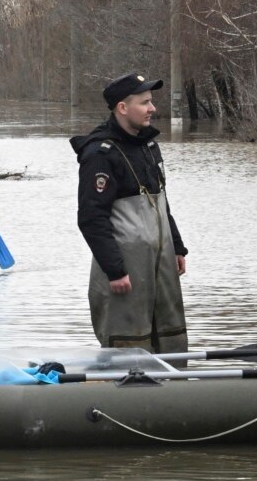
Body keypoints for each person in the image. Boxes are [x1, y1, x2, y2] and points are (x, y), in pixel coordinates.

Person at [70, 73, 189, 354]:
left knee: (171, 339)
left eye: (151, 102)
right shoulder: (100, 154)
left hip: (159, 263)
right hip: (124, 271)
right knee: (128, 346)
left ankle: (176, 395)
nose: (153, 108)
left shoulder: (148, 145)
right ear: (123, 108)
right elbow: (91, 218)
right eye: (145, 102)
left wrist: (177, 246)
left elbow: (160, 202)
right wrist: (115, 271)